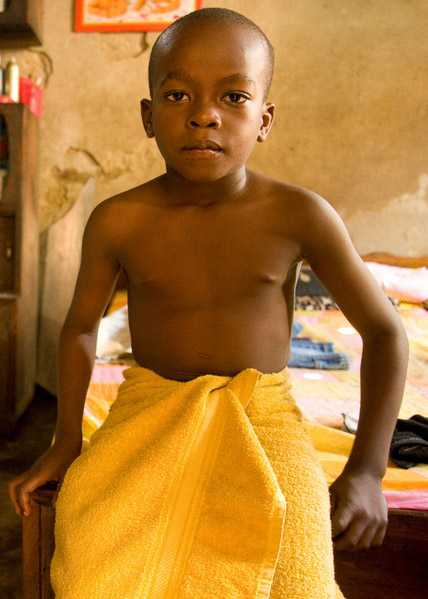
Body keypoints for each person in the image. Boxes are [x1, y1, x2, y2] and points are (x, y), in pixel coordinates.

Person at [8, 7, 409, 598]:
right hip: (148, 411)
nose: (204, 115)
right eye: (176, 95)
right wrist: (67, 439)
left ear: (265, 119)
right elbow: (79, 331)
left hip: (263, 416)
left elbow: (385, 332)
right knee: (94, 555)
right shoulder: (118, 220)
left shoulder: (300, 215)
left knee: (296, 568)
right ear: (148, 117)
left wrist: (368, 471)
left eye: (234, 96)